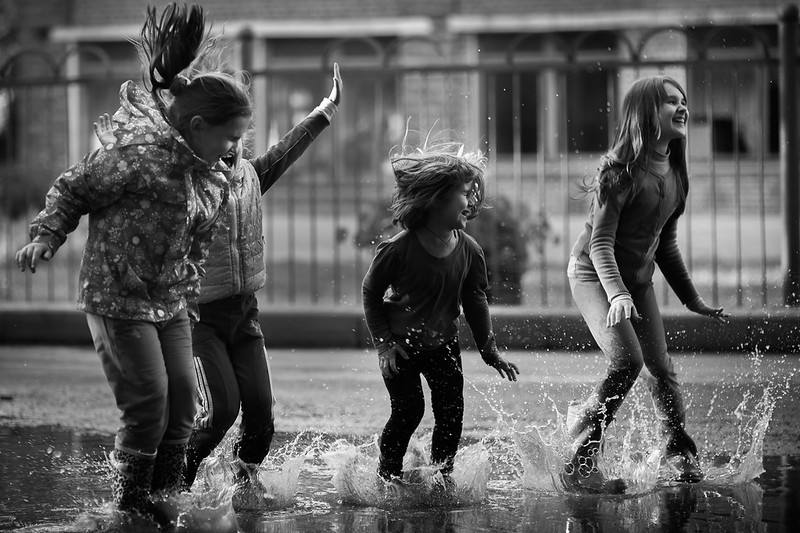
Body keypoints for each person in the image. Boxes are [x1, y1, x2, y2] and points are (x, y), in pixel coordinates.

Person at [15, 2, 252, 522]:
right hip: (116, 296)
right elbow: (74, 187)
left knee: (184, 405)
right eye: (231, 137)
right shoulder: (139, 156)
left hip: (169, 303)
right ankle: (130, 507)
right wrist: (47, 235)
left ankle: (166, 499)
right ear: (195, 125)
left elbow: (195, 246)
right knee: (148, 400)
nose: (237, 149)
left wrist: (187, 299)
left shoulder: (210, 177)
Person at [96, 66, 342, 509]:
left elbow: (284, 152)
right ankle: (172, 489)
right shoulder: (189, 178)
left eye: (238, 137)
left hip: (244, 315)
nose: (235, 145)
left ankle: (242, 489)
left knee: (262, 417)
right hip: (201, 318)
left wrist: (323, 112)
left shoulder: (249, 173)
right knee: (220, 413)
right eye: (228, 135)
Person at [565, 76, 729, 493]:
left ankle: (676, 448)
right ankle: (582, 458)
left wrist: (691, 299)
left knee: (661, 368)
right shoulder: (618, 172)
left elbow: (665, 244)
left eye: (683, 100)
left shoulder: (675, 172)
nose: (682, 107)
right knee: (627, 362)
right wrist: (617, 293)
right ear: (644, 114)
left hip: (636, 282)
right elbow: (600, 243)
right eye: (669, 101)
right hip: (593, 275)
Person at [361, 139, 520, 486]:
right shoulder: (398, 249)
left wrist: (489, 351)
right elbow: (370, 291)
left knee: (451, 413)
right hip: (400, 348)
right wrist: (384, 345)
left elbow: (475, 300)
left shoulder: (469, 250)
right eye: (465, 193)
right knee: (409, 411)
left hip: (441, 346)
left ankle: (441, 477)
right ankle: (387, 476)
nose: (473, 201)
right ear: (436, 198)